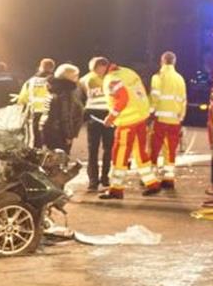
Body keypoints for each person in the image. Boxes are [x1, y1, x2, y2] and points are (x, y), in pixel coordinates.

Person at [94, 57, 160, 199]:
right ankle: (152, 183)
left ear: (101, 67)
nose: (97, 74)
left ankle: (116, 189)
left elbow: (122, 99)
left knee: (120, 154)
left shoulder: (111, 79)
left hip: (127, 122)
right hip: (140, 117)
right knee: (140, 152)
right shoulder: (128, 72)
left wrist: (111, 118)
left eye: (96, 71)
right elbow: (140, 92)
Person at [149, 51, 187, 189]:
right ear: (174, 62)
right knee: (170, 150)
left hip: (160, 118)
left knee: (154, 148)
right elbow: (183, 100)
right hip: (175, 120)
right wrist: (181, 116)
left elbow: (155, 97)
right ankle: (169, 178)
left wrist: (150, 111)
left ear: (162, 61)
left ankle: (151, 177)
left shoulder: (158, 76)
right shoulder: (180, 79)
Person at [79, 57, 114, 191]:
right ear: (94, 67)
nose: (103, 69)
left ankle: (105, 177)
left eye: (104, 66)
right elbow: (81, 98)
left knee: (108, 149)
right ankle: (93, 180)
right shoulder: (84, 80)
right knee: (93, 150)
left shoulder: (109, 79)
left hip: (108, 116)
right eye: (100, 66)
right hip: (94, 116)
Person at [40, 63, 84, 153]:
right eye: (76, 75)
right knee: (60, 160)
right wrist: (68, 135)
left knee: (51, 158)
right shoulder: (66, 92)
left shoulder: (54, 88)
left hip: (48, 128)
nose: (77, 78)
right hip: (59, 132)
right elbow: (65, 115)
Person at [14, 58, 55, 147]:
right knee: (52, 140)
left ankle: (38, 158)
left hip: (35, 113)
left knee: (37, 138)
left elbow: (22, 99)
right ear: (52, 68)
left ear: (40, 67)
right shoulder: (54, 80)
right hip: (51, 113)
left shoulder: (30, 81)